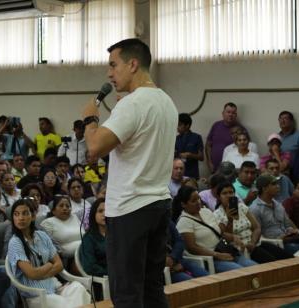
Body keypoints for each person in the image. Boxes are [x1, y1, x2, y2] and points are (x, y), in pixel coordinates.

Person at [82, 38, 177, 307]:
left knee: (127, 295)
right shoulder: (166, 101)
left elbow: (94, 148)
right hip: (158, 204)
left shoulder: (132, 104)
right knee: (152, 290)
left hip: (130, 210)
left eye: (114, 65)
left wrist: (91, 118)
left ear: (132, 64)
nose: (109, 74)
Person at [7, 198, 91, 307]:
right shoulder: (15, 242)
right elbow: (32, 274)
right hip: (36, 294)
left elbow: (59, 265)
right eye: (16, 214)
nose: (20, 218)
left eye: (25, 213)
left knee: (78, 288)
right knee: (67, 304)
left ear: (33, 216)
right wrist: (49, 265)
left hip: (54, 286)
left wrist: (40, 273)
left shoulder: (42, 236)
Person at [176, 187, 257, 273]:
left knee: (254, 268)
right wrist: (217, 255)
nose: (198, 202)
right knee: (241, 272)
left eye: (198, 199)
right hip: (211, 259)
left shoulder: (206, 211)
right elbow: (192, 248)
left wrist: (231, 229)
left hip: (224, 249)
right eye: (193, 201)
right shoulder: (183, 222)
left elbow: (220, 232)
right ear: (183, 204)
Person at [213, 182, 292, 263]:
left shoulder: (241, 207)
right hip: (240, 248)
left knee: (288, 257)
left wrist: (252, 242)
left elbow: (257, 227)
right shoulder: (217, 214)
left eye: (231, 192)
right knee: (273, 262)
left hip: (255, 243)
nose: (229, 195)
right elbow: (224, 235)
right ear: (219, 197)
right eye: (224, 193)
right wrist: (230, 219)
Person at [250, 175, 299, 256]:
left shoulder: (277, 204)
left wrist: (292, 230)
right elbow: (258, 236)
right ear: (264, 188)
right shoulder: (255, 209)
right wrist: (278, 239)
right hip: (276, 243)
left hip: (288, 237)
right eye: (274, 184)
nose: (278, 186)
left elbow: (287, 224)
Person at [205, 102, 247, 173]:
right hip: (214, 167)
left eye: (233, 113)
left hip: (232, 171)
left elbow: (246, 147)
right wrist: (209, 162)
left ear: (236, 115)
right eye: (228, 112)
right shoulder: (216, 125)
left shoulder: (241, 129)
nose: (230, 115)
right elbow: (208, 145)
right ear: (223, 113)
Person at [175, 113, 204, 179]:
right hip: (178, 174)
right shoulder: (176, 139)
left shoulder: (197, 137)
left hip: (192, 174)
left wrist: (190, 155)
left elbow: (201, 157)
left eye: (179, 125)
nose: (177, 127)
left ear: (187, 125)